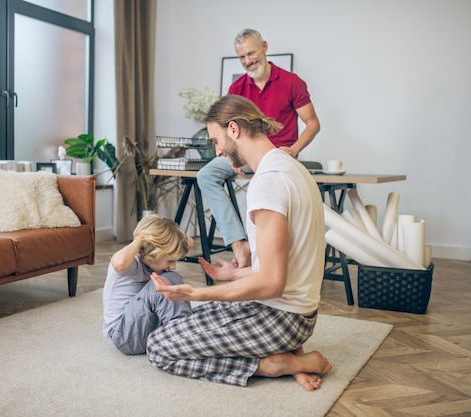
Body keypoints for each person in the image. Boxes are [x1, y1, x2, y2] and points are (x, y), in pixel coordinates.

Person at [147, 95, 331, 391]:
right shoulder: (292, 168)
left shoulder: (268, 181)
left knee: (158, 346)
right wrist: (234, 275)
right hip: (295, 314)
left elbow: (272, 283)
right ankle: (289, 353)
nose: (218, 152)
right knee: (185, 321)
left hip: (279, 318)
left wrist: (198, 293)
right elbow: (287, 262)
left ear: (234, 129)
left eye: (216, 141)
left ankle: (273, 364)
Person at [197, 28, 321, 268]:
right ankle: (238, 244)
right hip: (244, 154)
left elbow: (313, 124)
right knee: (206, 175)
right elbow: (226, 132)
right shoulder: (237, 88)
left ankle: (274, 256)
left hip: (278, 156)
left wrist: (294, 150)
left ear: (264, 47)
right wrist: (233, 158)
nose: (247, 61)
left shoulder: (291, 82)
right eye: (241, 57)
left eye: (251, 53)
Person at [102, 214, 194, 355]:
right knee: (168, 278)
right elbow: (118, 263)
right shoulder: (131, 263)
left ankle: (184, 328)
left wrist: (162, 227)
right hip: (124, 335)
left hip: (144, 328)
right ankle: (185, 336)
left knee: (169, 278)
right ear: (151, 252)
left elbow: (189, 242)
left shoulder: (154, 261)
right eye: (169, 261)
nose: (173, 266)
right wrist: (140, 238)